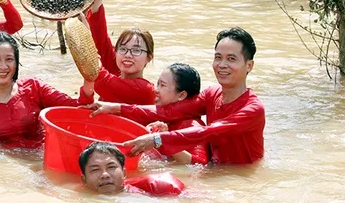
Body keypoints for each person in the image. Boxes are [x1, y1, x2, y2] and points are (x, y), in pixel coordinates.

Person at [86, 27, 265, 165]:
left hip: (242, 177)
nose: (222, 64)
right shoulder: (212, 94)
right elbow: (168, 111)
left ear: (249, 66)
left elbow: (207, 131)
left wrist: (157, 139)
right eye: (218, 57)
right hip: (215, 170)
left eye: (231, 59)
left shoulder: (253, 109)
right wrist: (115, 108)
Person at [0, 31, 94, 148]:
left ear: (16, 62)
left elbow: (77, 110)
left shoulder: (34, 88)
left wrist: (89, 78)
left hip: (40, 165)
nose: (3, 66)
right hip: (3, 173)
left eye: (9, 59)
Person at [79, 0, 155, 105]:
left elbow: (100, 80)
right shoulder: (116, 70)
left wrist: (83, 37)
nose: (128, 55)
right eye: (123, 49)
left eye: (136, 50)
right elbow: (100, 39)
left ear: (148, 58)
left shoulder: (145, 90)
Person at [146, 63, 208, 165]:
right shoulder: (160, 121)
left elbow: (199, 165)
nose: (156, 90)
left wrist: (165, 140)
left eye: (162, 85)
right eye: (157, 84)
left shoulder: (193, 126)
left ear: (181, 95)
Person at [79, 142, 185, 196]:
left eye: (111, 167)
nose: (105, 174)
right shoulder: (77, 198)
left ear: (124, 173)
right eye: (95, 170)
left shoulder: (158, 187)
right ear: (84, 180)